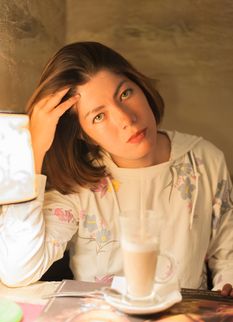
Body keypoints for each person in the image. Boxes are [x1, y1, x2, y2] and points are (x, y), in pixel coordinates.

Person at [0, 41, 233, 296]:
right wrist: (33, 150)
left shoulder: (205, 160)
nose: (126, 119)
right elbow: (17, 270)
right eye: (99, 116)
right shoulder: (79, 184)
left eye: (125, 94)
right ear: (84, 135)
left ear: (141, 87)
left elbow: (228, 253)